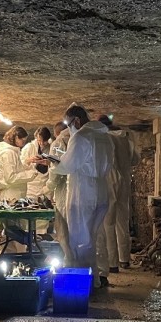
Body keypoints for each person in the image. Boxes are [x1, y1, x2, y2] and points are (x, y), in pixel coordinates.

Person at [54, 104, 114, 287]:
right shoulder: (105, 136)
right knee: (94, 236)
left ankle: (82, 283)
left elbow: (68, 166)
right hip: (102, 189)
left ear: (77, 120)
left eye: (68, 123)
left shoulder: (81, 136)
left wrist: (54, 163)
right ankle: (95, 279)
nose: (68, 127)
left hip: (83, 190)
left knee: (80, 239)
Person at [98, 114, 140, 273]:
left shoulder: (105, 138)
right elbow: (135, 159)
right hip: (125, 181)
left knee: (108, 222)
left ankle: (112, 262)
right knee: (123, 221)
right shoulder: (126, 137)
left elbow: (106, 160)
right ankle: (125, 259)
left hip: (110, 180)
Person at [0, 125, 45, 253]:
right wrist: (31, 174)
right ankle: (14, 259)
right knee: (13, 231)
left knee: (16, 230)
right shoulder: (8, 153)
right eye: (22, 140)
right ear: (16, 137)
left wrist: (30, 164)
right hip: (11, 196)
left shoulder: (13, 152)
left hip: (16, 194)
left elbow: (18, 169)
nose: (23, 143)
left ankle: (16, 259)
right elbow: (10, 177)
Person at [45, 121, 72, 262]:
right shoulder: (77, 139)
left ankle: (69, 262)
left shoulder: (58, 142)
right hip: (79, 190)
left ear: (56, 132)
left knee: (63, 229)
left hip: (63, 190)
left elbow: (56, 168)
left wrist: (48, 187)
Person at [20, 126, 53, 200]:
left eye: (44, 141)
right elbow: (20, 165)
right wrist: (29, 160)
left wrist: (49, 163)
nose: (41, 143)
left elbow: (56, 165)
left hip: (46, 187)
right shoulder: (29, 147)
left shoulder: (51, 148)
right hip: (31, 187)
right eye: (39, 140)